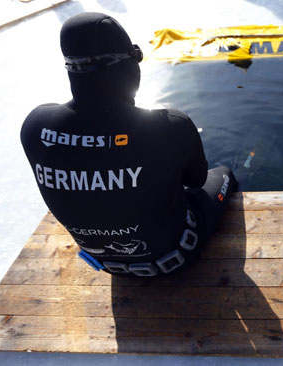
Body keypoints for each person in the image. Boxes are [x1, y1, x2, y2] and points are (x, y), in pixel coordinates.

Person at [21, 12, 236, 276]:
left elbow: (83, 165)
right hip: (176, 256)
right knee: (224, 175)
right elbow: (195, 180)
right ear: (128, 65)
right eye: (137, 55)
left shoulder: (36, 126)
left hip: (106, 264)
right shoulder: (169, 126)